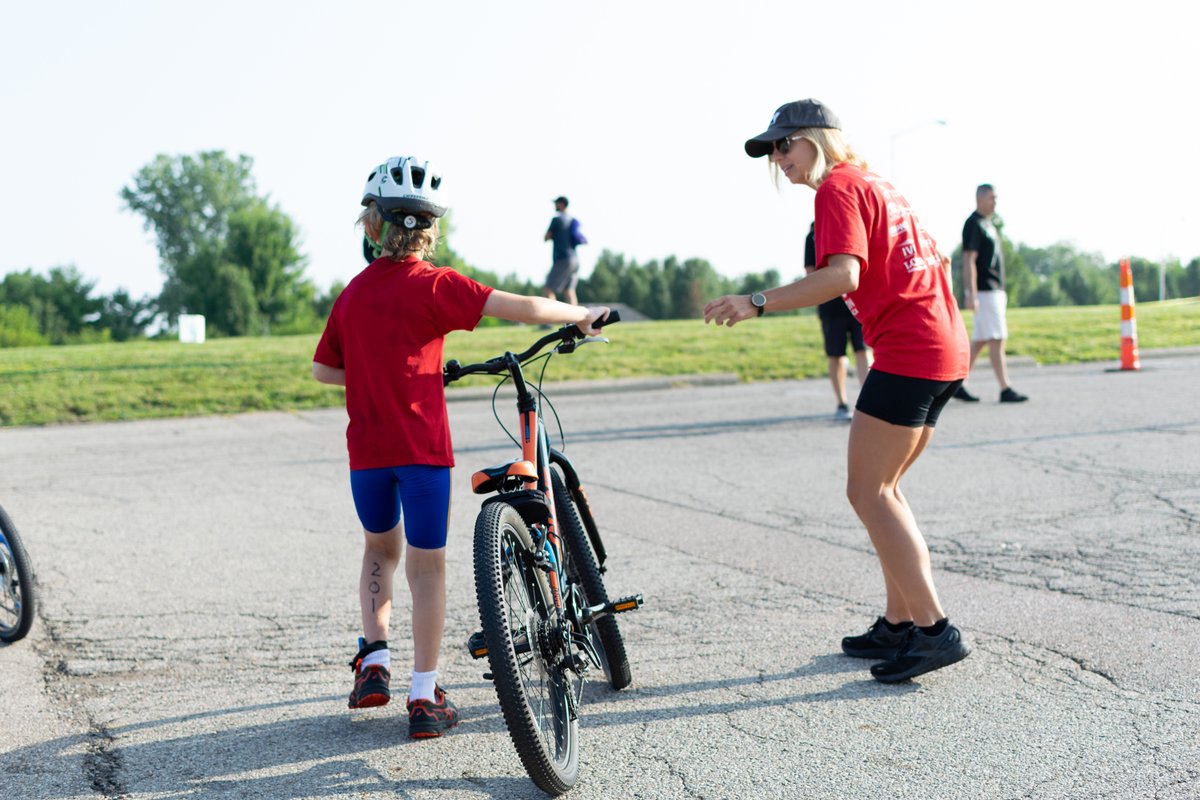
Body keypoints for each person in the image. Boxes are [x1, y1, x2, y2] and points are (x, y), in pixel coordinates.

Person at [313, 156, 609, 737]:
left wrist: (376, 375)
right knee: (428, 568)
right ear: (429, 230)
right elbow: (519, 307)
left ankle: (374, 661)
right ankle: (424, 697)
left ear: (371, 226)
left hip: (367, 456)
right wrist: (581, 316)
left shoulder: (351, 295)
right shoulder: (436, 285)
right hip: (421, 453)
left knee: (379, 552)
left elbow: (326, 371)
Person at [704, 99, 971, 683]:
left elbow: (842, 275)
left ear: (817, 140)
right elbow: (939, 256)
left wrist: (754, 303)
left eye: (785, 144)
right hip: (943, 347)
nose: (778, 158)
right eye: (771, 150)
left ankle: (933, 631)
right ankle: (899, 623)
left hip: (910, 351)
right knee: (886, 489)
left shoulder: (837, 189)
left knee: (867, 491)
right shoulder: (877, 183)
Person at [954, 184, 1029, 403]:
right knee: (997, 338)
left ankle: (958, 382)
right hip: (985, 290)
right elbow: (969, 259)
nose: (994, 202)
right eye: (991, 198)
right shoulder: (973, 224)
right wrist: (971, 292)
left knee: (981, 340)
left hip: (996, 290)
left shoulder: (989, 224)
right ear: (979, 198)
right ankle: (1005, 388)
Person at [805, 220, 872, 421]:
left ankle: (868, 402)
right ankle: (842, 403)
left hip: (857, 299)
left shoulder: (851, 227)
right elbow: (810, 272)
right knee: (836, 354)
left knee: (864, 350)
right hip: (830, 304)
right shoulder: (814, 235)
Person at [543, 195, 586, 305]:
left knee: (548, 289)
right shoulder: (572, 220)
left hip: (563, 259)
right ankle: (576, 321)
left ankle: (549, 320)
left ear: (561, 204)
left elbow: (546, 237)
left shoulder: (557, 219)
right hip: (575, 260)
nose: (555, 206)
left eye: (556, 203)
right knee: (569, 291)